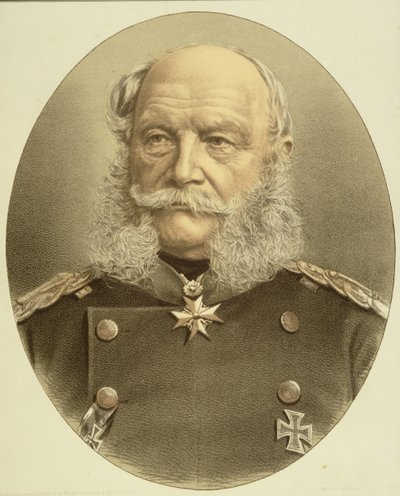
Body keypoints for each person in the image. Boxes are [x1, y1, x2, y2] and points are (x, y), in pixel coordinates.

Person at [12, 44, 389, 489]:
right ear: (129, 151)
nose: (183, 170)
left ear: (276, 156)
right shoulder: (38, 335)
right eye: (157, 138)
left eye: (218, 141)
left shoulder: (354, 335)